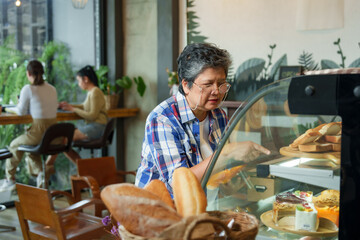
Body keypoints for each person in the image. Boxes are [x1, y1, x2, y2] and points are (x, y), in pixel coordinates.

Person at [135, 43, 270, 197]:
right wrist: (226, 154)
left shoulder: (218, 115)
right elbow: (177, 184)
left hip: (202, 204)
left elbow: (219, 170)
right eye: (208, 84)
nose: (216, 91)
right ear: (186, 85)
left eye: (221, 84)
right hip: (159, 210)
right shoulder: (163, 119)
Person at [0, 60, 58, 191]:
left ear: (28, 73)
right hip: (54, 134)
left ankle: (10, 179)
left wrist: (7, 109)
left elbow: (20, 111)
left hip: (39, 132)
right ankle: (41, 175)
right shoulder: (52, 89)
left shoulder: (28, 89)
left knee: (15, 144)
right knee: (30, 149)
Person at [46, 65, 108, 166]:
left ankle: (48, 167)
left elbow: (92, 115)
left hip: (97, 127)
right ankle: (82, 168)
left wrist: (73, 109)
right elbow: (84, 106)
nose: (79, 84)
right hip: (95, 126)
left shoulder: (95, 92)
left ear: (86, 79)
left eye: (79, 81)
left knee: (63, 140)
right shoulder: (92, 92)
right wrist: (68, 106)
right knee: (64, 142)